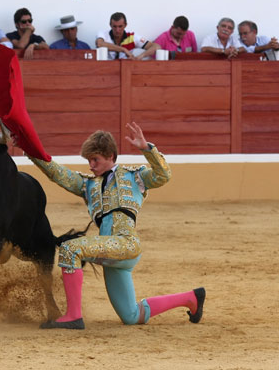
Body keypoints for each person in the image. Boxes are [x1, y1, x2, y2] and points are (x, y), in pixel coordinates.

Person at [22, 123, 205, 329]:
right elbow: (59, 174)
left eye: (95, 159)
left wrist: (147, 149)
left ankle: (73, 315)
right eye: (89, 160)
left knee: (70, 248)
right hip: (112, 253)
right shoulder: (88, 185)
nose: (91, 165)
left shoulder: (133, 176)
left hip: (126, 244)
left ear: (110, 155)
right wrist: (31, 152)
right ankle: (191, 298)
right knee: (132, 315)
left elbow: (163, 175)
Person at [96, 12, 160, 60]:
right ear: (110, 25)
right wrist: (124, 50)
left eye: (120, 26)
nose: (117, 30)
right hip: (106, 69)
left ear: (125, 25)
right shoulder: (103, 34)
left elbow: (157, 47)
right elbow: (99, 44)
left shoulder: (133, 37)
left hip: (126, 69)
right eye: (114, 26)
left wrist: (140, 56)